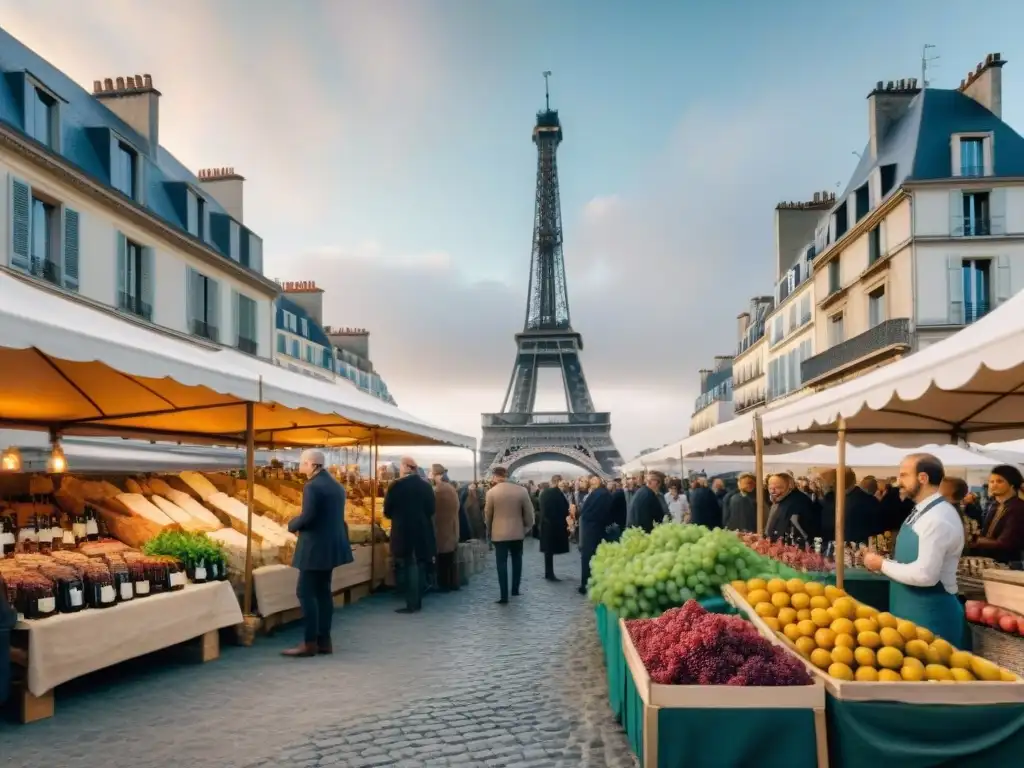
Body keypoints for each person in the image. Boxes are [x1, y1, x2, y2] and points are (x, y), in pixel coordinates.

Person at [863, 453, 965, 644]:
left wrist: (881, 564)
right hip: (912, 615)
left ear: (923, 478)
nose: (898, 481)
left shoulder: (937, 518)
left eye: (903, 475)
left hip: (931, 618)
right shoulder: (922, 511)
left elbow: (926, 575)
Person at [282, 448, 354, 657]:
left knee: (305, 592)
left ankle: (309, 642)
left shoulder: (312, 486)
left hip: (315, 548)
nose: (300, 466)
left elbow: (309, 516)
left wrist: (291, 525)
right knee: (323, 592)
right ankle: (325, 641)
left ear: (312, 464)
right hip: (331, 547)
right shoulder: (336, 486)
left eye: (303, 462)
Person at [384, 456, 436, 614]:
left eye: (400, 466)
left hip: (403, 529)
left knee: (408, 564)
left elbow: (387, 511)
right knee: (419, 563)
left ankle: (412, 603)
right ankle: (418, 599)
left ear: (406, 467)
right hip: (422, 529)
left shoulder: (396, 486)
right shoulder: (426, 486)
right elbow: (431, 509)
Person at [484, 467, 535, 604]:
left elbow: (488, 515)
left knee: (501, 563)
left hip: (499, 533)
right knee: (517, 560)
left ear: (495, 477)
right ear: (507, 475)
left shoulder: (491, 493)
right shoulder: (521, 491)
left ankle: (504, 595)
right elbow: (529, 513)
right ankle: (515, 589)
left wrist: (489, 530)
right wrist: (526, 528)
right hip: (517, 532)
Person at [970, 465, 1024, 563]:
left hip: (1007, 564)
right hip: (985, 561)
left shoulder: (1019, 508)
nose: (993, 485)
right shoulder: (993, 504)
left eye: (999, 481)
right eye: (991, 481)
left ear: (1012, 484)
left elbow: (1005, 543)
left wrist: (971, 540)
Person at [578, 475, 612, 595]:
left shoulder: (594, 494)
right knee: (595, 557)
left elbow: (584, 510)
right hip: (597, 528)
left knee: (586, 557)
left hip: (588, 528)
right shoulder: (604, 494)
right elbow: (606, 512)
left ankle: (585, 583)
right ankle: (591, 583)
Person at [764, 473, 818, 544]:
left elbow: (798, 529)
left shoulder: (798, 501)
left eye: (778, 487)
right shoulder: (781, 499)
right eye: (770, 488)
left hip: (791, 548)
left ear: (790, 485)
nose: (773, 491)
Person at [430, 464, 460, 591]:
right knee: (449, 556)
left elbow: (433, 509)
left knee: (444, 558)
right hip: (451, 526)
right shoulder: (450, 488)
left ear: (437, 474)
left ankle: (444, 584)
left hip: (443, 528)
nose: (429, 475)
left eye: (431, 473)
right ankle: (451, 583)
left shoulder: (440, 490)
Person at [538, 474, 570, 581]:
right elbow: (563, 508)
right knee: (550, 550)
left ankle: (548, 572)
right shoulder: (556, 493)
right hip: (554, 525)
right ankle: (549, 574)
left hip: (546, 525)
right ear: (558, 481)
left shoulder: (544, 493)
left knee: (548, 551)